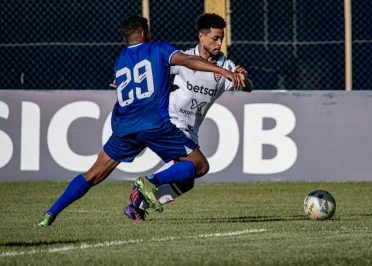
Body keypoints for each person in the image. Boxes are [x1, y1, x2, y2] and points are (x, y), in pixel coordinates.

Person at [37, 15, 243, 227]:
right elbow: (190, 61)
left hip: (124, 127)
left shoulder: (121, 59)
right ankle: (150, 182)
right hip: (155, 124)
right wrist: (224, 71)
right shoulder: (158, 49)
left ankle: (50, 214)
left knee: (93, 175)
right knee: (199, 165)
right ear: (144, 32)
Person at [123, 13, 253, 221]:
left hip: (191, 129)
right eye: (215, 38)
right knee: (200, 166)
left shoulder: (225, 66)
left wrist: (244, 79)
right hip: (171, 121)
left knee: (187, 180)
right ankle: (149, 181)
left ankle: (137, 205)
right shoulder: (183, 58)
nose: (219, 43)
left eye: (222, 38)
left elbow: (246, 88)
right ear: (201, 37)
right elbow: (151, 68)